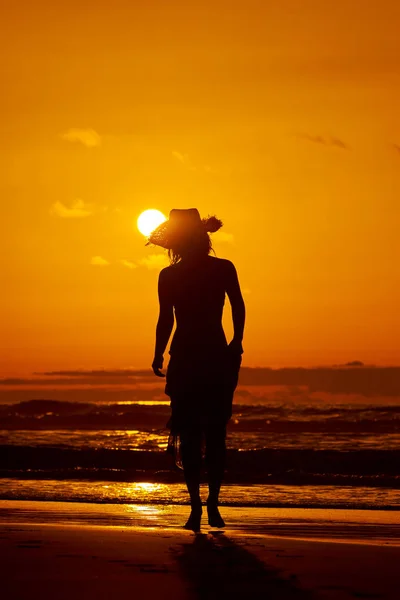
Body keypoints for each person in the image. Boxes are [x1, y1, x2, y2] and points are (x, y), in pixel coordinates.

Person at [148, 208, 245, 531]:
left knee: (192, 434)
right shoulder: (216, 269)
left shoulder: (173, 275)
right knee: (213, 434)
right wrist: (236, 342)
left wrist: (159, 354)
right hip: (212, 354)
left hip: (191, 356)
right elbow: (237, 306)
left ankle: (200, 509)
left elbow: (167, 319)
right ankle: (208, 507)